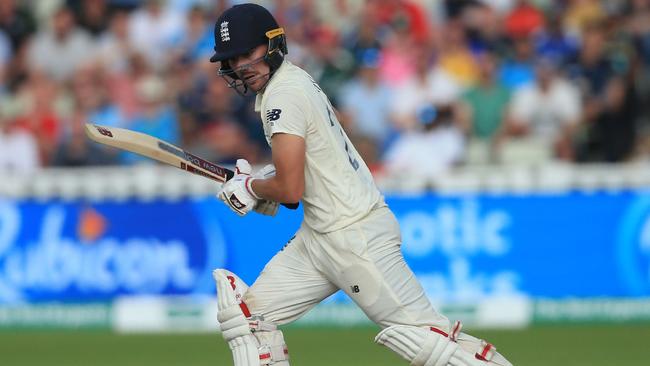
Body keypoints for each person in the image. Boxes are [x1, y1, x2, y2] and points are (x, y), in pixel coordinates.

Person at [209, 4, 513, 366]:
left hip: (354, 236)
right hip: (319, 236)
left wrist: (252, 188)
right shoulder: (292, 81)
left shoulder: (283, 95)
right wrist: (261, 185)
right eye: (233, 59)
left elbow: (290, 189)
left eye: (247, 53)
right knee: (247, 320)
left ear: (273, 44)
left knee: (431, 345)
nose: (242, 65)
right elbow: (306, 175)